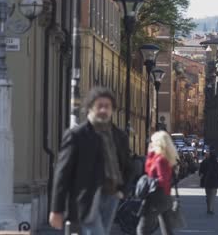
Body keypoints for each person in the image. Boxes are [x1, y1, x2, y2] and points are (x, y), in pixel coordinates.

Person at [49, 87, 133, 235]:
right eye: (99, 106)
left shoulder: (119, 136)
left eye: (107, 106)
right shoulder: (77, 135)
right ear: (90, 108)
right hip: (88, 198)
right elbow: (62, 173)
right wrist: (57, 209)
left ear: (112, 109)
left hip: (112, 196)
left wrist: (123, 191)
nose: (103, 110)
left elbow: (128, 166)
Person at [137, 131, 179, 235]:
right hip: (165, 197)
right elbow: (148, 168)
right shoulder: (163, 158)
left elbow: (163, 179)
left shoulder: (160, 159)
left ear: (158, 143)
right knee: (166, 230)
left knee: (142, 229)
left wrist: (152, 183)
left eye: (152, 141)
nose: (150, 143)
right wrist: (150, 152)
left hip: (156, 197)